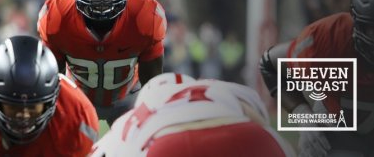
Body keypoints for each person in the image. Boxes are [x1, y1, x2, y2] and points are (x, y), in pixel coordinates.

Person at [37, 0, 167, 124]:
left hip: (129, 100)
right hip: (76, 99)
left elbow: (153, 87)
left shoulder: (144, 16)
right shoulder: (57, 17)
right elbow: (51, 84)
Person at [260, 0, 374, 156]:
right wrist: (303, 115)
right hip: (339, 128)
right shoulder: (328, 40)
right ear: (358, 24)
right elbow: (270, 64)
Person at [90, 73, 295, 157]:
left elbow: (101, 151)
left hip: (169, 143)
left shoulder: (140, 112)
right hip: (245, 133)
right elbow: (259, 121)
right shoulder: (217, 87)